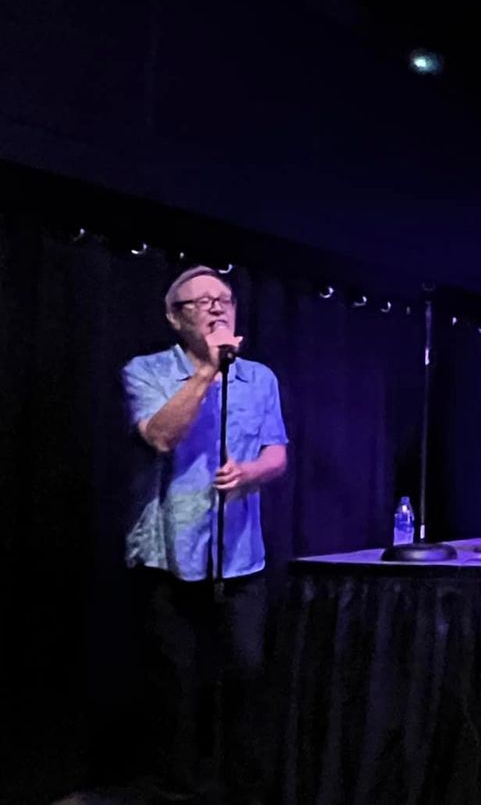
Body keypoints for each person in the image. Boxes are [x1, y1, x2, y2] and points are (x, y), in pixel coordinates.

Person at [122, 265, 289, 804]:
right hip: (168, 553)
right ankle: (178, 787)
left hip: (239, 553)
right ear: (175, 318)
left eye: (225, 299)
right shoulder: (145, 371)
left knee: (246, 669)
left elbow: (277, 455)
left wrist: (250, 473)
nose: (217, 308)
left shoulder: (260, 378)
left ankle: (244, 786)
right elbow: (161, 437)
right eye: (202, 301)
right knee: (177, 678)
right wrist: (207, 374)